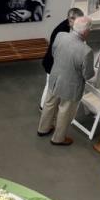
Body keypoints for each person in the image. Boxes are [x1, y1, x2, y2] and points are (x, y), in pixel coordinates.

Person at [38, 16, 94, 146]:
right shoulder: (86, 51)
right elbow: (88, 75)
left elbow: (53, 52)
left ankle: (43, 129)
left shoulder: (60, 36)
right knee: (65, 111)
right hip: (71, 86)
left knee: (49, 104)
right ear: (85, 32)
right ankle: (58, 139)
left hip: (54, 78)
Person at [40, 7, 85, 109]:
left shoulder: (71, 27)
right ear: (71, 19)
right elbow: (56, 52)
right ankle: (43, 107)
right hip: (52, 64)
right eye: (79, 21)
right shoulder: (61, 31)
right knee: (50, 86)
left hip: (57, 63)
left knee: (51, 86)